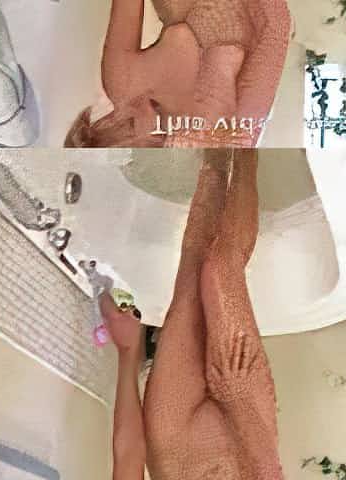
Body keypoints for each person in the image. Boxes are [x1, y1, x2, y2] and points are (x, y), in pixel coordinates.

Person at [98, 149, 283, 479]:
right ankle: (246, 151)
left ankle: (216, 153)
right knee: (221, 268)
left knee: (193, 266)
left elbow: (128, 455)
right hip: (246, 450)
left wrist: (129, 352)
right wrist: (239, 402)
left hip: (175, 447)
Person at [65, 0, 291, 148]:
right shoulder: (218, 123)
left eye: (115, 118)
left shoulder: (121, 84)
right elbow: (276, 27)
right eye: (129, 124)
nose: (130, 106)